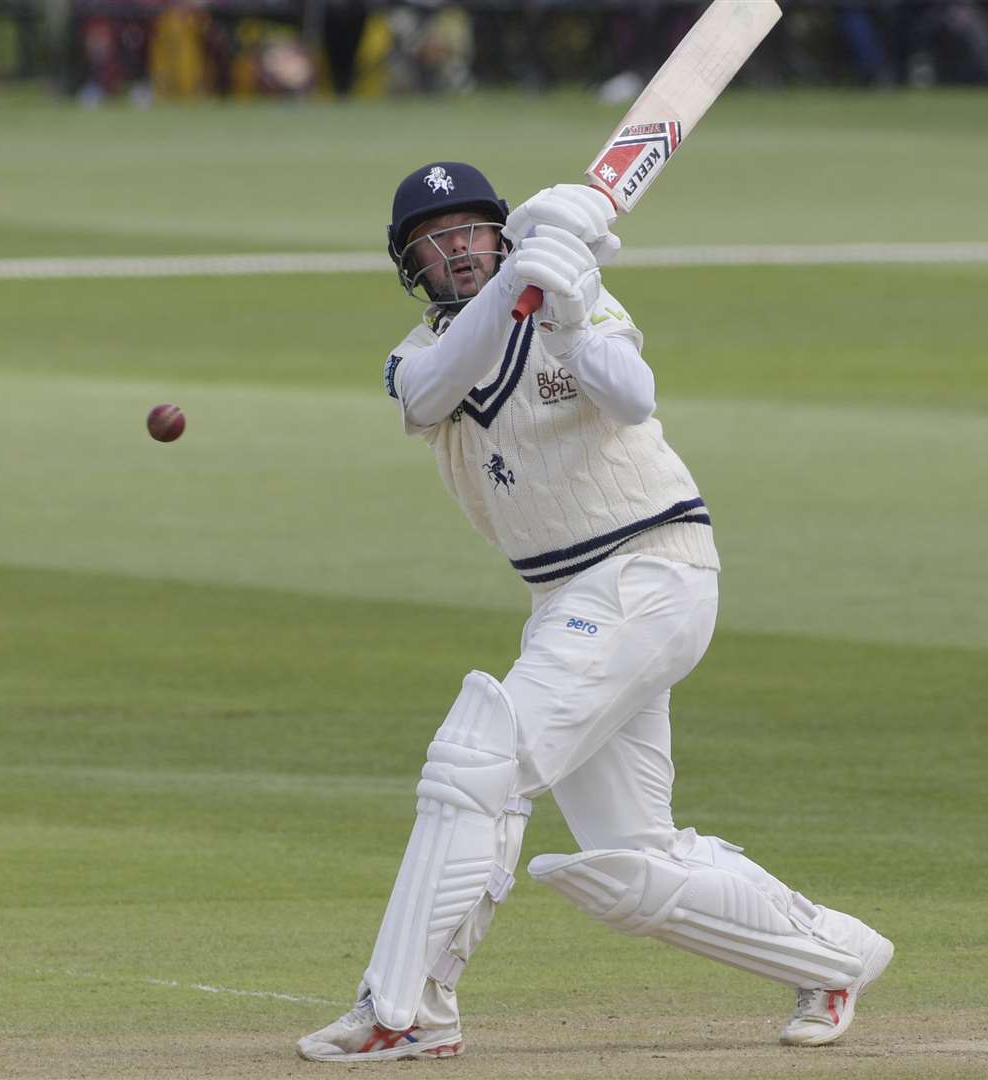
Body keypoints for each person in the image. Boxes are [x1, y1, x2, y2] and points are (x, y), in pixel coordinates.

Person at [297, 162, 893, 1063]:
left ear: (501, 232)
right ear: (410, 260)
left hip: (651, 570)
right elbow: (434, 393)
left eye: (473, 229)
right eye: (437, 236)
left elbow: (634, 396)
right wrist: (517, 283)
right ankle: (835, 957)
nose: (458, 246)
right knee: (630, 859)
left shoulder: (580, 298)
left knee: (478, 756)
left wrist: (573, 311)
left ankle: (406, 1009)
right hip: (570, 599)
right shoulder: (416, 359)